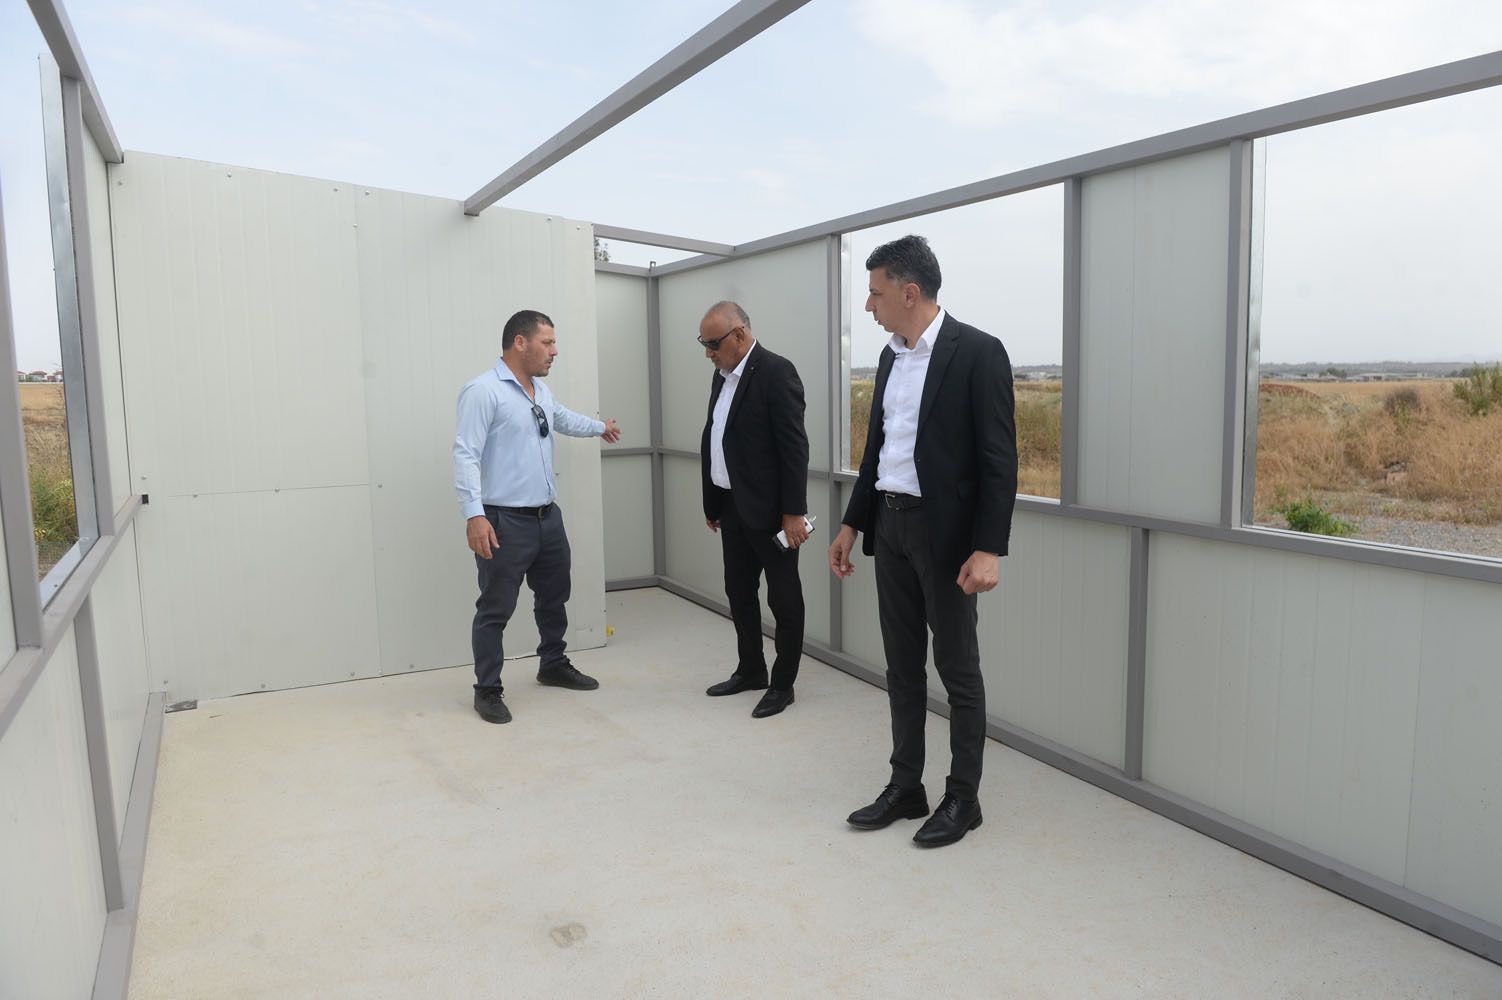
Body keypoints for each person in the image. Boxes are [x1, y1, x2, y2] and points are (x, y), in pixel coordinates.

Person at [828, 235, 1017, 847]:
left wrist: (988, 547)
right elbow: (877, 453)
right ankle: (906, 785)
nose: (868, 306)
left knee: (957, 670)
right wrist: (852, 524)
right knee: (902, 666)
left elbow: (999, 462)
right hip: (890, 527)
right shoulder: (890, 359)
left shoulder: (979, 353)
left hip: (947, 538)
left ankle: (963, 797)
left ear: (909, 293)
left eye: (875, 293)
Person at [454, 309, 622, 724]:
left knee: (554, 595)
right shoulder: (483, 391)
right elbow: (466, 454)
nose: (554, 351)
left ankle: (552, 664)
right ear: (520, 342)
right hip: (503, 522)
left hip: (548, 518)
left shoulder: (539, 390)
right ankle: (487, 689)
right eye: (547, 342)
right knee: (495, 608)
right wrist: (474, 515)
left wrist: (599, 427)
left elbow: (561, 418)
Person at [698, 301, 810, 719]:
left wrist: (793, 512)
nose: (708, 353)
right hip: (732, 507)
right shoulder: (721, 376)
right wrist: (713, 501)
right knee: (739, 592)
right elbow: (716, 437)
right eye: (703, 344)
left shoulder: (777, 372)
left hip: (772, 513)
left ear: (739, 335)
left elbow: (794, 448)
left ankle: (783, 684)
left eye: (713, 344)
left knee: (784, 599)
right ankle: (751, 670)